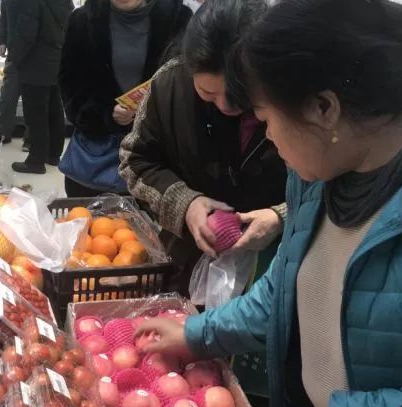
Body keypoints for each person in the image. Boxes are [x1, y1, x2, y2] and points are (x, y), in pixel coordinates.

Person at [134, 1, 402, 407]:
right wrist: (197, 334)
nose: (266, 138)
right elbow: (289, 289)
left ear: (323, 108)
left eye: (266, 118)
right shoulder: (323, 172)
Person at [119, 0, 287, 289]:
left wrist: (281, 215)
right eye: (207, 92)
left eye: (240, 94)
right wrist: (186, 204)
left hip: (274, 270)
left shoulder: (290, 98)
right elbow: (136, 160)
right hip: (186, 264)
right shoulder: (169, 86)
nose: (225, 106)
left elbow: (329, 184)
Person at [59, 0, 192, 197]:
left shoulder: (178, 20)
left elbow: (187, 83)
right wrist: (106, 113)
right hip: (95, 156)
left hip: (154, 156)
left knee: (145, 225)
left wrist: (152, 110)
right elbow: (70, 84)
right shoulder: (83, 21)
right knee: (89, 223)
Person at [9, 0, 73, 175]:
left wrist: (16, 58)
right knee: (54, 110)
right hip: (55, 61)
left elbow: (26, 34)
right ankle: (53, 155)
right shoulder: (65, 2)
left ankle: (36, 161)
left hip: (34, 62)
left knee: (35, 115)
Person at [0, 0, 30, 150]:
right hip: (13, 55)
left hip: (34, 56)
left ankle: (31, 139)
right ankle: (3, 133)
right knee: (7, 97)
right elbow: (4, 19)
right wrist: (2, 41)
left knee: (32, 100)